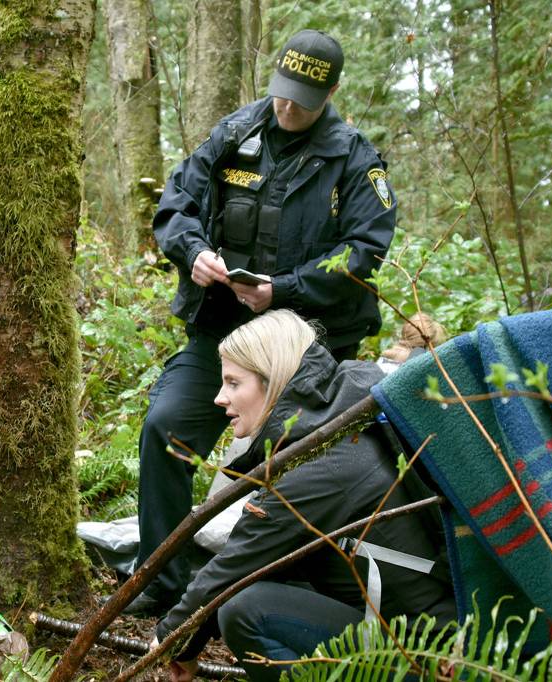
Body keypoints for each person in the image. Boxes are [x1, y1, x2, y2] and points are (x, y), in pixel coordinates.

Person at [131, 28, 397, 615]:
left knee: (306, 461)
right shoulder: (236, 133)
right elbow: (175, 203)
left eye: (302, 97)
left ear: (328, 94)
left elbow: (365, 250)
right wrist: (192, 250)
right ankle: (162, 582)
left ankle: (294, 589)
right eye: (281, 91)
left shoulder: (354, 159)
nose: (287, 106)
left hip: (312, 348)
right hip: (225, 336)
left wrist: (286, 290)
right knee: (166, 426)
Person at [152, 310, 457, 681]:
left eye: (234, 383)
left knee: (246, 611)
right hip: (431, 631)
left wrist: (169, 641)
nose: (219, 398)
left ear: (272, 379)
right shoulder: (341, 417)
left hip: (434, 656)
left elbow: (234, 565)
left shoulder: (321, 464)